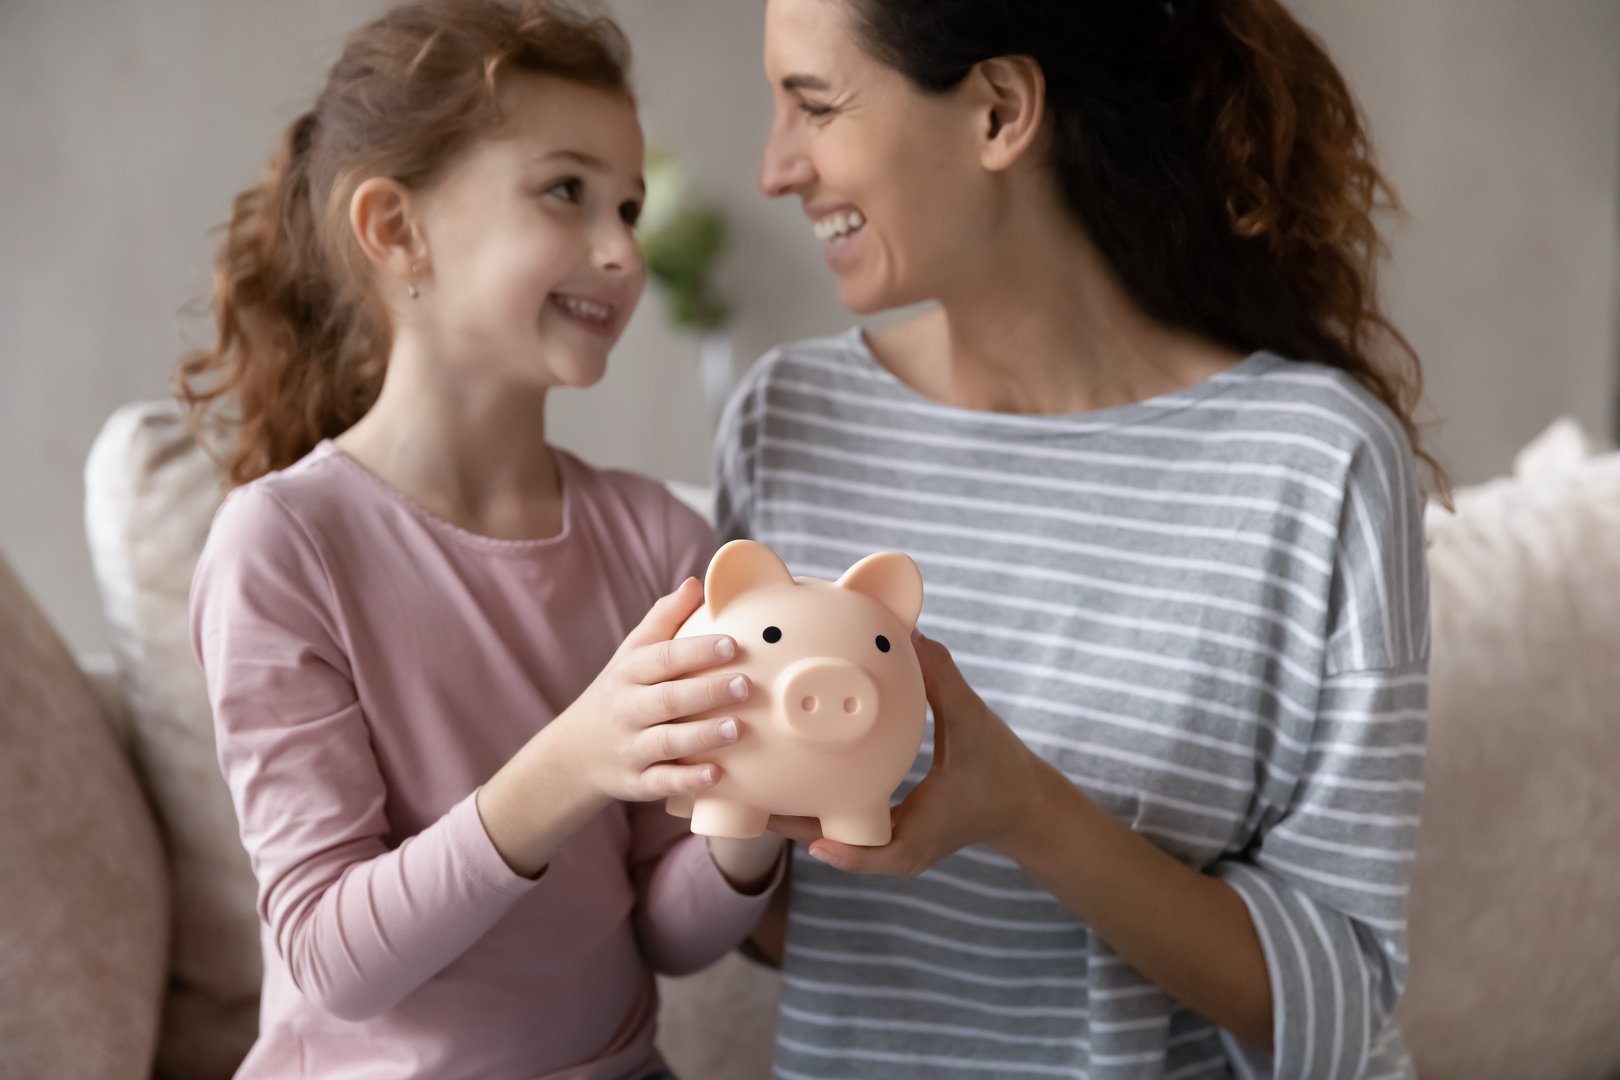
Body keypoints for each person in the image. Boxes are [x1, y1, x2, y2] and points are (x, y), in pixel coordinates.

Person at [725, 1, 1437, 1077]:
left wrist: (1022, 808)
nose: (775, 168)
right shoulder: (788, 423)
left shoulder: (1316, 463)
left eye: (814, 105)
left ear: (1001, 111)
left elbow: (1336, 999)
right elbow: (777, 919)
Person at [181, 3, 784, 1076]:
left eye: (630, 207)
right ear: (396, 228)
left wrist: (750, 823)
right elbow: (331, 957)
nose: (620, 252)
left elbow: (666, 934)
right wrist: (577, 757)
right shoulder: (284, 545)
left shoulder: (660, 542)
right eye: (567, 191)